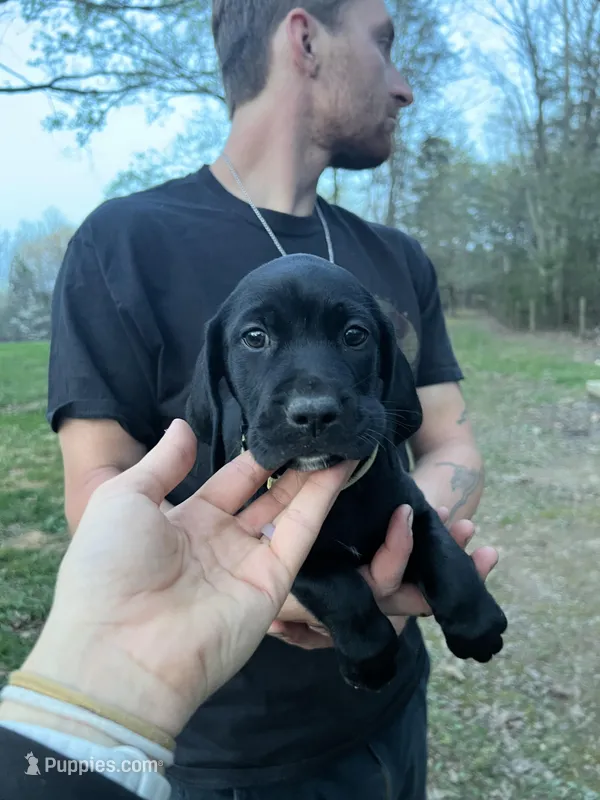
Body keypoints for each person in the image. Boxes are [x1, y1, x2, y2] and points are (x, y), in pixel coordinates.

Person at [45, 0, 496, 797]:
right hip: (236, 751)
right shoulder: (123, 243)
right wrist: (293, 579)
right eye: (385, 45)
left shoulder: (395, 254)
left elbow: (448, 437)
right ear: (305, 37)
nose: (405, 88)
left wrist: (405, 544)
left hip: (394, 705)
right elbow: (101, 488)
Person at [0, 420, 497, 799]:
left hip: (392, 715)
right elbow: (95, 473)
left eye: (354, 336)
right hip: (221, 749)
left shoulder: (410, 279)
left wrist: (419, 535)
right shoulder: (106, 280)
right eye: (255, 339)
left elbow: (446, 430)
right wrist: (110, 683)